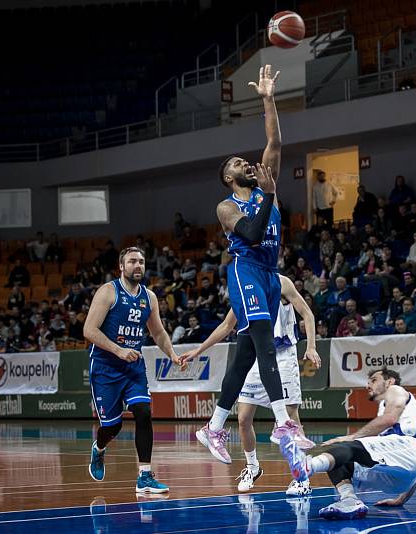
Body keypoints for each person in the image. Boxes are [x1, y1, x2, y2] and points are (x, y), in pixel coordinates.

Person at [202, 64, 300, 462]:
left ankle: (212, 427)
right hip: (245, 270)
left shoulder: (266, 182)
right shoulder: (227, 207)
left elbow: (275, 140)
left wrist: (268, 98)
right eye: (236, 163)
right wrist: (271, 196)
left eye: (246, 160)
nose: (245, 162)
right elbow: (253, 235)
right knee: (261, 337)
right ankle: (282, 420)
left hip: (269, 273)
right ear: (228, 177)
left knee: (244, 353)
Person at [181, 275, 321, 496]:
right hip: (255, 356)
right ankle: (253, 467)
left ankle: (301, 477)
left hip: (282, 355)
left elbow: (308, 314)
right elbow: (227, 325)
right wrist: (198, 350)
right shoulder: (244, 287)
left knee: (290, 417)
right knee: (244, 418)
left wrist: (311, 346)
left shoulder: (281, 282)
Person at [85, 247, 181, 493]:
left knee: (143, 412)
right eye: (132, 261)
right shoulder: (108, 292)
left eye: (141, 261)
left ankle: (145, 477)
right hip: (106, 367)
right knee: (112, 427)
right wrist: (118, 350)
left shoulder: (149, 297)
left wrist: (171, 354)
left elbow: (157, 332)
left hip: (133, 366)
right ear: (121, 266)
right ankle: (99, 448)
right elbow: (89, 330)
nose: (138, 265)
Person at [280, 368, 416, 520]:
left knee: (349, 446)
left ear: (389, 382)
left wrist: (352, 437)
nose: (368, 385)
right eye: (368, 382)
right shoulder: (388, 409)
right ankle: (350, 501)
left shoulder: (396, 390)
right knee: (338, 457)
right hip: (399, 480)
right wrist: (401, 499)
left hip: (406, 449)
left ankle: (306, 466)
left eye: (374, 380)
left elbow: (389, 419)